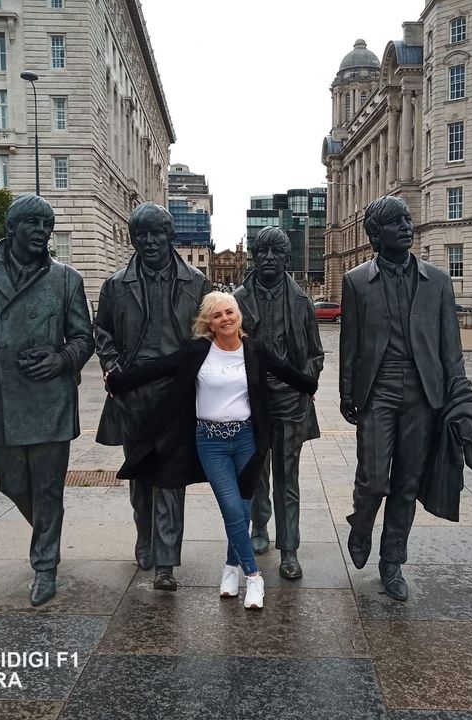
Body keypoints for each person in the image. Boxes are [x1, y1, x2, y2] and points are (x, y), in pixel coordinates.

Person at [106, 292, 318, 610]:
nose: (225, 319)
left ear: (238, 315)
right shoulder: (199, 351)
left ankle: (231, 569)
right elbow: (160, 367)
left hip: (246, 440)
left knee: (241, 512)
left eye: (229, 312)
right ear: (209, 322)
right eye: (217, 315)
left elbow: (285, 370)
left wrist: (310, 387)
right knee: (232, 509)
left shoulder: (254, 349)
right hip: (211, 443)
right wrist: (117, 381)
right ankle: (254, 576)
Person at [0, 194, 96, 607]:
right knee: (10, 483)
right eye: (33, 223)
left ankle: (45, 566)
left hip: (50, 397)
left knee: (48, 488)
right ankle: (48, 532)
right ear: (11, 228)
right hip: (0, 395)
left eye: (47, 225)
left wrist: (61, 359)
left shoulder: (66, 278)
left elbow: (84, 337)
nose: (42, 232)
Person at [340, 195, 465, 601]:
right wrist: (346, 392)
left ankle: (392, 561)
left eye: (408, 220)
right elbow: (350, 343)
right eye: (397, 223)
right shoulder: (356, 281)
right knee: (374, 480)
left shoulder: (438, 282)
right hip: (378, 390)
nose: (407, 227)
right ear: (377, 235)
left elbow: (451, 347)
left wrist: (459, 395)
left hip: (424, 393)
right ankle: (361, 524)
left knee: (407, 483)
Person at [94, 202, 210, 591]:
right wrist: (112, 366)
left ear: (169, 236)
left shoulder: (196, 282)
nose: (149, 241)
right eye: (140, 234)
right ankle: (144, 535)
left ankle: (166, 561)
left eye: (156, 233)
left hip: (177, 393)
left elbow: (207, 335)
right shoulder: (115, 285)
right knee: (142, 475)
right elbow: (102, 331)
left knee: (171, 477)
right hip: (134, 392)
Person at [234, 227, 324, 578]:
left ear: (288, 259)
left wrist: (303, 382)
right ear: (254, 257)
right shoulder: (238, 300)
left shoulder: (301, 302)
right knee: (255, 472)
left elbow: (315, 353)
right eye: (263, 251)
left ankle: (289, 549)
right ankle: (259, 526)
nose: (269, 257)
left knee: (288, 477)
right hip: (251, 400)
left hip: (289, 400)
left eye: (277, 252)